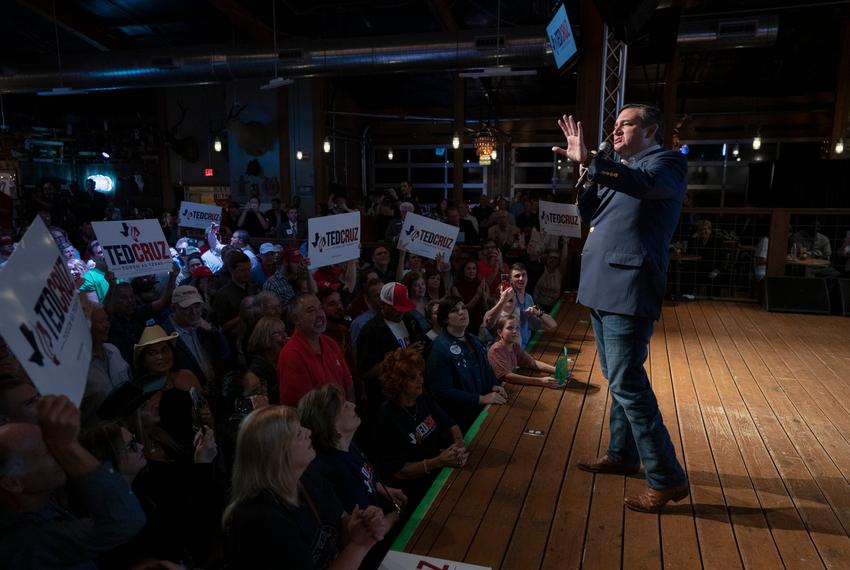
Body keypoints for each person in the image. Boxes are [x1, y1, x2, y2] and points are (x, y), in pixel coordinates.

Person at [553, 104, 688, 512]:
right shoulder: (617, 165)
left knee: (627, 380)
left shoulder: (663, 163)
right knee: (617, 376)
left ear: (650, 130)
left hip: (628, 284)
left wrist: (595, 162)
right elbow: (590, 212)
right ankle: (622, 453)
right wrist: (586, 172)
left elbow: (641, 186)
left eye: (624, 125)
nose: (615, 133)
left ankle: (665, 477)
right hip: (601, 284)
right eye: (613, 127)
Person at [222, 406, 389, 569]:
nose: (309, 432)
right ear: (278, 455)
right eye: (299, 434)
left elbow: (341, 524)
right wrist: (359, 545)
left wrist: (357, 527)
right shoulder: (260, 519)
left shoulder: (308, 477)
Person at [0, 396, 146, 568]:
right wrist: (66, 446)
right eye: (47, 450)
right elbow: (123, 521)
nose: (59, 454)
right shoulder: (24, 540)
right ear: (13, 483)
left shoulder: (49, 504)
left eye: (53, 443)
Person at [298, 385, 407, 515]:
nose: (353, 405)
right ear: (330, 421)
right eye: (345, 406)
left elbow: (364, 477)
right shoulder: (334, 470)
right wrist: (398, 515)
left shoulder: (349, 445)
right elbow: (368, 527)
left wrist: (382, 489)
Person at [376, 348, 467, 503]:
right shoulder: (386, 416)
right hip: (414, 490)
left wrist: (458, 446)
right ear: (398, 383)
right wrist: (438, 461)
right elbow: (399, 471)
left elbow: (450, 424)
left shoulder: (422, 396)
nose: (421, 381)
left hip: (438, 470)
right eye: (413, 378)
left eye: (420, 375)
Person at [425, 297, 506, 430]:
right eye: (455, 311)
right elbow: (442, 391)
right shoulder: (439, 349)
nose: (462, 312)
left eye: (464, 308)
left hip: (484, 409)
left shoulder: (473, 339)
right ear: (445, 319)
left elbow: (486, 367)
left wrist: (493, 385)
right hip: (463, 418)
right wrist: (480, 398)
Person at [356, 283, 427, 416]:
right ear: (382, 304)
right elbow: (365, 372)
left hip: (415, 391)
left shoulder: (409, 319)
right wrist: (402, 355)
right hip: (389, 400)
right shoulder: (370, 331)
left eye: (403, 307)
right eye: (396, 308)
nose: (400, 311)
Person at [277, 293, 355, 406]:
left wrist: (348, 411)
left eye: (320, 308)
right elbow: (298, 405)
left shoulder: (330, 343)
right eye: (311, 310)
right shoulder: (291, 355)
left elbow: (348, 382)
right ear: (296, 319)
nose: (320, 315)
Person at [488, 315, 558, 388]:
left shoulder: (515, 346)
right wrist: (540, 381)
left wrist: (555, 369)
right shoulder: (497, 350)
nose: (515, 331)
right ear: (500, 332)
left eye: (517, 328)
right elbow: (507, 376)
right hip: (495, 390)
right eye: (510, 328)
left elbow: (532, 363)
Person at [510, 263, 557, 347]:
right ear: (511, 280)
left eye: (523, 275)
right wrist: (523, 314)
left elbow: (552, 325)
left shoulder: (529, 298)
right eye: (517, 276)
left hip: (525, 345)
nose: (521, 278)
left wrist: (538, 313)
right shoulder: (509, 299)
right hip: (513, 348)